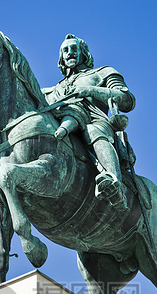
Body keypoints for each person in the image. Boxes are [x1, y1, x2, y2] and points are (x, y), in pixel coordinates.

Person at [43, 34, 136, 208]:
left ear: (83, 53)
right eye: (65, 50)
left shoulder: (102, 72)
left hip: (95, 122)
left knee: (94, 130)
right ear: (61, 57)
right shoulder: (56, 88)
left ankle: (114, 182)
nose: (70, 53)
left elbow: (127, 100)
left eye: (74, 49)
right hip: (63, 124)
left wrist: (90, 90)